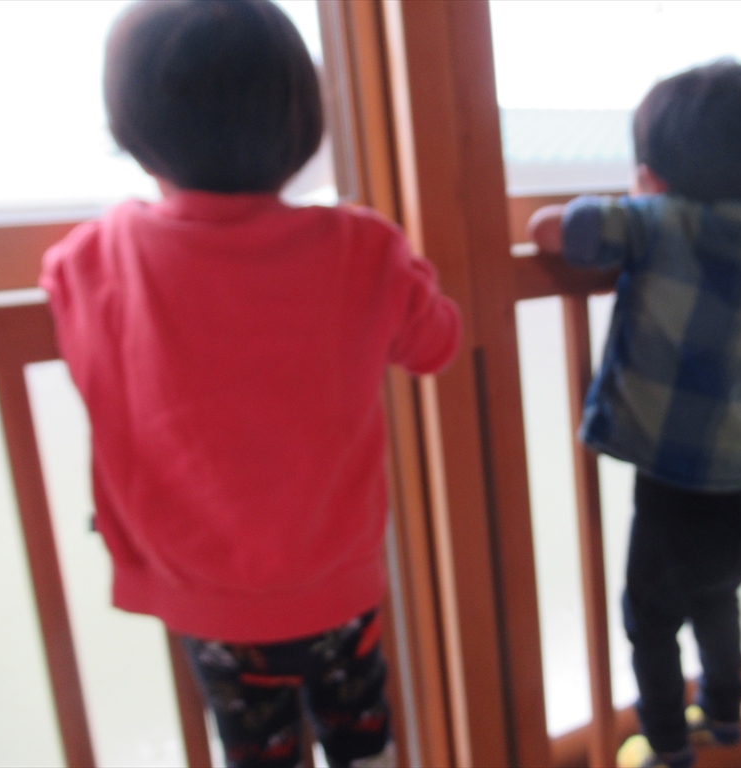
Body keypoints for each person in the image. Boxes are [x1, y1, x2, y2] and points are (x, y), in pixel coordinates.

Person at [40, 2, 461, 766]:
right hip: (336, 583)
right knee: (363, 737)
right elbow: (437, 345)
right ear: (300, 117)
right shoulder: (364, 248)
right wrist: (403, 271)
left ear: (133, 126)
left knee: (257, 750)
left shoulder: (96, 258)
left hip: (208, 598)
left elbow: (81, 332)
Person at [530, 60, 741, 768]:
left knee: (651, 618)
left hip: (676, 493)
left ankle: (665, 742)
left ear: (654, 172)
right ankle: (724, 711)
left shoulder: (656, 222)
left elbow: (554, 229)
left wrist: (644, 200)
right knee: (717, 598)